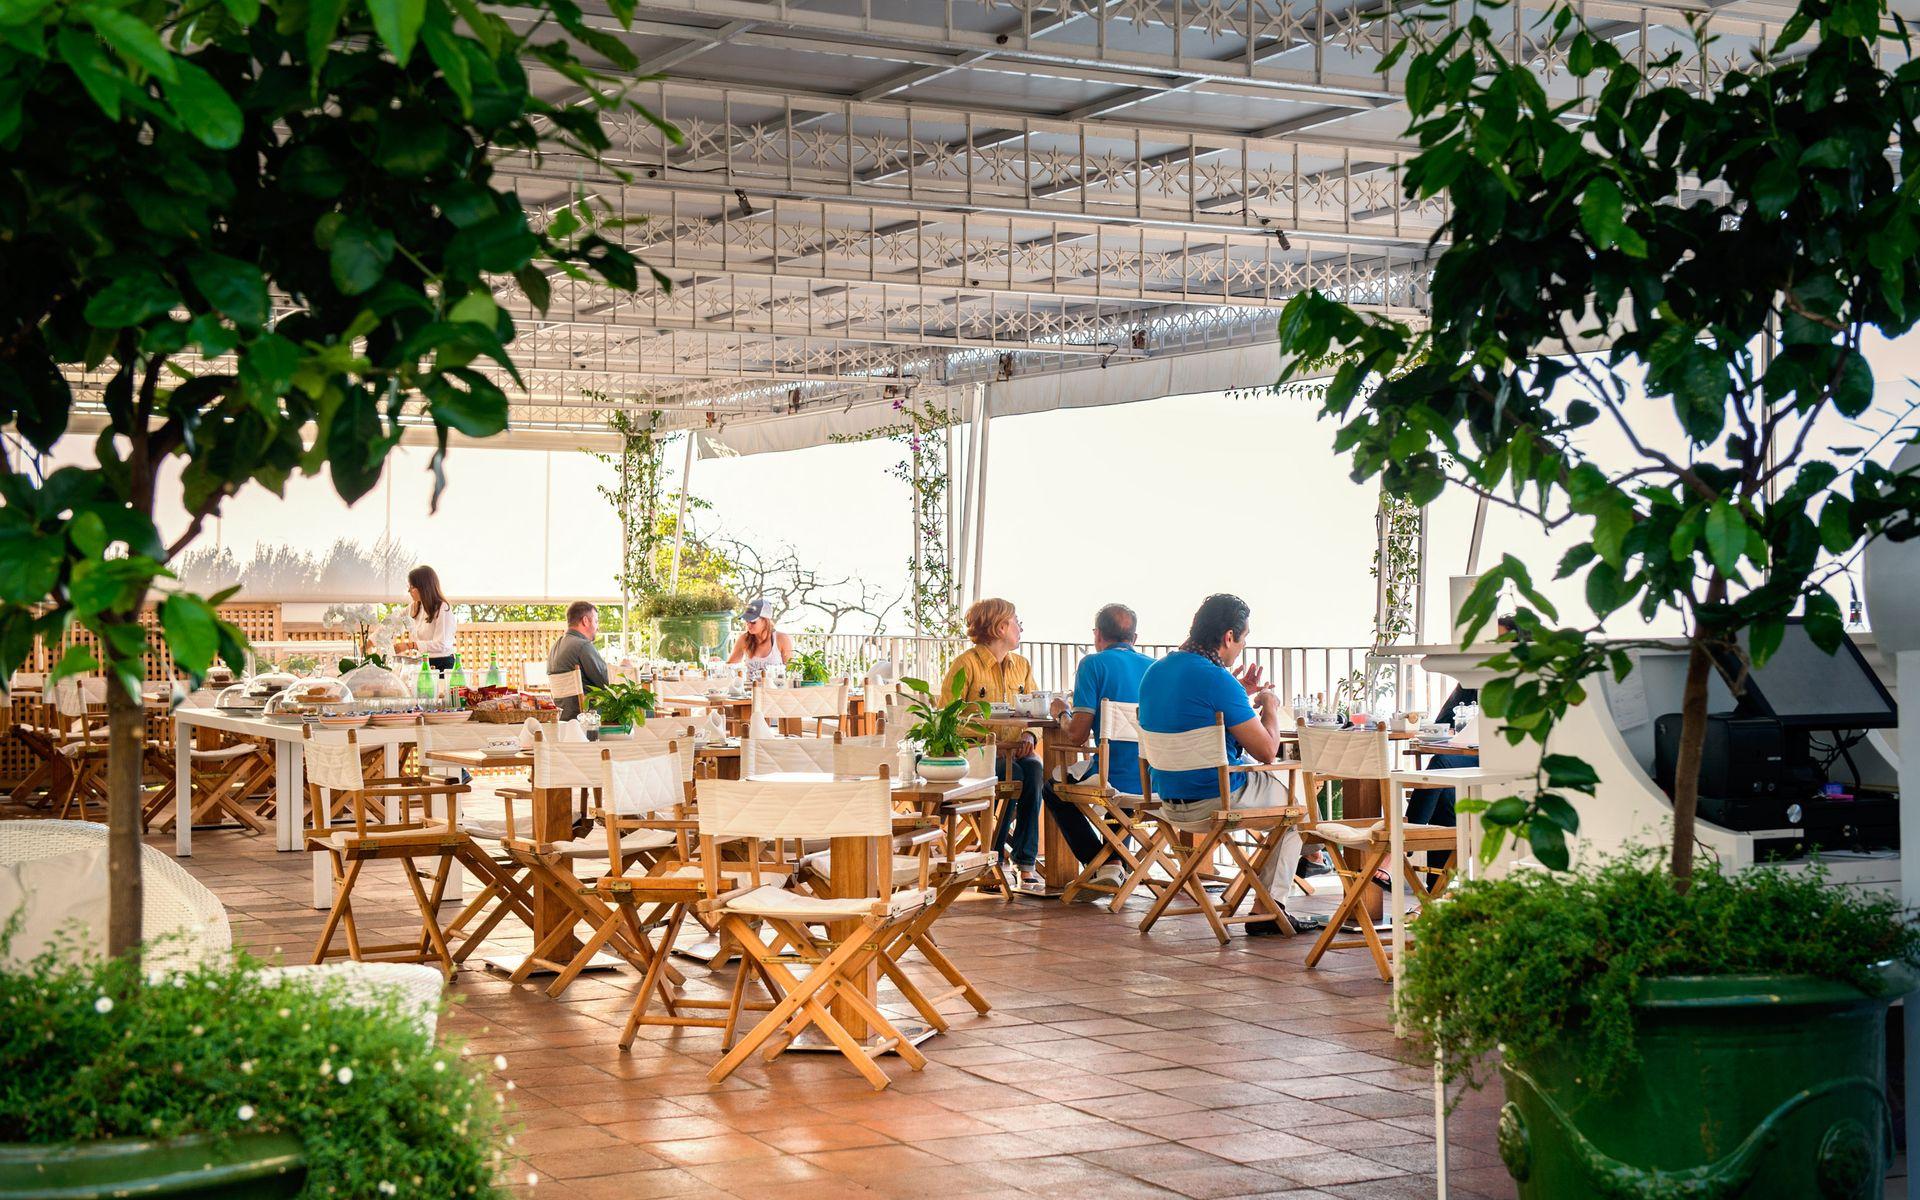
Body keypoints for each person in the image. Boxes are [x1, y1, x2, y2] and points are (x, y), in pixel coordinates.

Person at [1138, 593, 1318, 936]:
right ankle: (1271, 907)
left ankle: (1296, 871)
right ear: (1228, 637)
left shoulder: (1155, 672)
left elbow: (1194, 706)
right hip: (1216, 802)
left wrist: (1238, 690)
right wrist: (1268, 704)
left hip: (1168, 801)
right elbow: (1267, 751)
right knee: (1299, 809)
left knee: (1287, 806)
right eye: (1244, 638)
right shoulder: (1216, 678)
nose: (1242, 647)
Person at [1041, 604, 1153, 900]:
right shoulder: (1154, 668)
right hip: (1154, 777)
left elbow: (1077, 736)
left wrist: (1061, 712)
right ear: (1135, 637)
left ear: (1097, 634)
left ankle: (1104, 863)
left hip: (1112, 774)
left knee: (1053, 790)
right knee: (1124, 794)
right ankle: (1114, 866)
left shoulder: (1092, 664)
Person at [942, 598, 1044, 888]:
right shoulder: (966, 664)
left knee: (1033, 770)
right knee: (1019, 774)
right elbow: (946, 717)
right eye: (1016, 622)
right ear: (1001, 628)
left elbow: (1036, 712)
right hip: (976, 755)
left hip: (1016, 752)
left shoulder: (1022, 665)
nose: (1021, 627)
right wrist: (988, 745)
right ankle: (993, 858)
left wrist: (1030, 736)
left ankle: (1024, 861)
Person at [547, 601, 610, 721]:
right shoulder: (583, 646)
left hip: (563, 717)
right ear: (585, 621)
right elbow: (608, 682)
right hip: (588, 717)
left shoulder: (554, 647)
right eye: (596, 621)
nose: (598, 627)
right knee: (646, 710)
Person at [393, 566, 456, 670]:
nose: (409, 591)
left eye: (412, 587)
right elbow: (393, 622)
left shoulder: (443, 608)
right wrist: (371, 641)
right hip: (423, 662)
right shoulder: (414, 607)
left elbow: (441, 644)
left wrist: (410, 645)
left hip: (442, 664)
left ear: (424, 587)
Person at [727, 597, 795, 681]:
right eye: (747, 621)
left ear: (765, 621)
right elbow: (730, 666)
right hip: (750, 691)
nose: (748, 625)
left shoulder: (781, 639)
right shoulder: (744, 639)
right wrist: (718, 663)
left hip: (775, 690)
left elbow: (791, 670)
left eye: (753, 622)